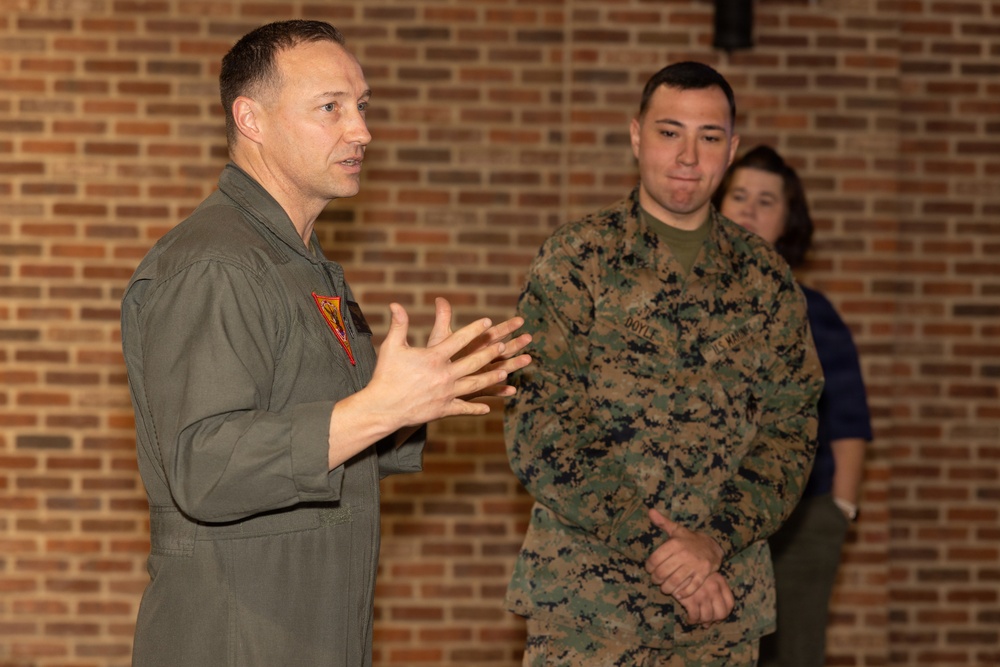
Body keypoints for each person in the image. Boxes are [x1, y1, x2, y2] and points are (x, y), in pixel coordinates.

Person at [119, 20, 531, 667]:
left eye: (361, 107)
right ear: (251, 118)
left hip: (310, 624)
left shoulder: (302, 263)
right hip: (238, 637)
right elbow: (205, 465)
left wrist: (420, 398)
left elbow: (327, 434)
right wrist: (381, 408)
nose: (361, 130)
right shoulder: (217, 264)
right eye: (330, 108)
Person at [504, 60, 824, 666]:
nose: (687, 155)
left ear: (730, 150)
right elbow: (541, 428)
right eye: (669, 131)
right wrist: (665, 551)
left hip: (720, 613)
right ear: (636, 136)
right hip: (590, 608)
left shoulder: (767, 280)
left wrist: (713, 543)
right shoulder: (577, 260)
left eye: (708, 137)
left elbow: (792, 432)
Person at [714, 144, 873, 667]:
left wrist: (839, 511)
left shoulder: (812, 312)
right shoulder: (684, 303)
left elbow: (849, 419)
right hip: (705, 526)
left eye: (766, 200)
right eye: (738, 196)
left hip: (800, 525)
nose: (749, 210)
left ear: (787, 219)